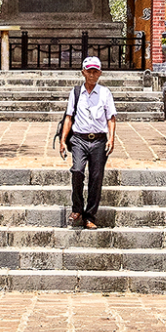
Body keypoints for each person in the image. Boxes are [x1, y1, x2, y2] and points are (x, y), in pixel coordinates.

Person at [58, 56, 117, 229]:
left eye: (95, 71)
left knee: (96, 178)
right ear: (83, 72)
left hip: (99, 140)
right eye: (89, 71)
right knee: (77, 170)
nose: (92, 74)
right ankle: (77, 208)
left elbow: (111, 118)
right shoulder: (76, 93)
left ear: (100, 73)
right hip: (79, 139)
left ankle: (89, 216)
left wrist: (112, 138)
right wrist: (62, 140)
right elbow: (68, 118)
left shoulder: (105, 93)